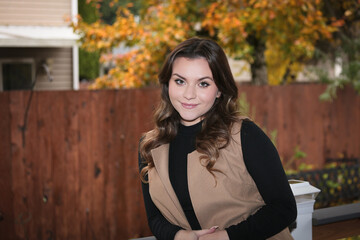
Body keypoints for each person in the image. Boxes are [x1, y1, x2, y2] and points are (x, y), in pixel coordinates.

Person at [138, 37, 297, 240]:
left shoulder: (244, 135)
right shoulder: (150, 146)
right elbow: (155, 218)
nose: (189, 94)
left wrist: (226, 236)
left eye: (203, 84)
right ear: (167, 84)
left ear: (219, 90)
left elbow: (284, 208)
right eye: (180, 81)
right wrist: (178, 236)